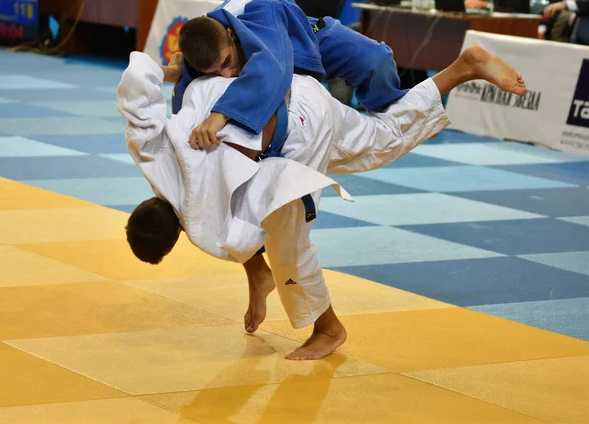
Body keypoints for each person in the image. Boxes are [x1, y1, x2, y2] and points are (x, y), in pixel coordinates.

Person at [117, 43, 526, 360]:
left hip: (297, 131)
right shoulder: (150, 153)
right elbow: (138, 82)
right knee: (378, 138)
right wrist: (170, 70)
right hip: (286, 87)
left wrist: (267, 262)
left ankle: (328, 330)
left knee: (288, 245)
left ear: (176, 240)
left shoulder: (202, 224)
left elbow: (247, 236)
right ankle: (451, 81)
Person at [174, 0, 406, 148]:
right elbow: (186, 93)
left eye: (227, 62)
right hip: (272, 46)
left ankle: (389, 113)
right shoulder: (206, 39)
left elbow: (272, 66)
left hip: (304, 38)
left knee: (376, 59)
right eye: (215, 72)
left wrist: (219, 115)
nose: (226, 74)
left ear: (230, 33)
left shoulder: (262, 13)